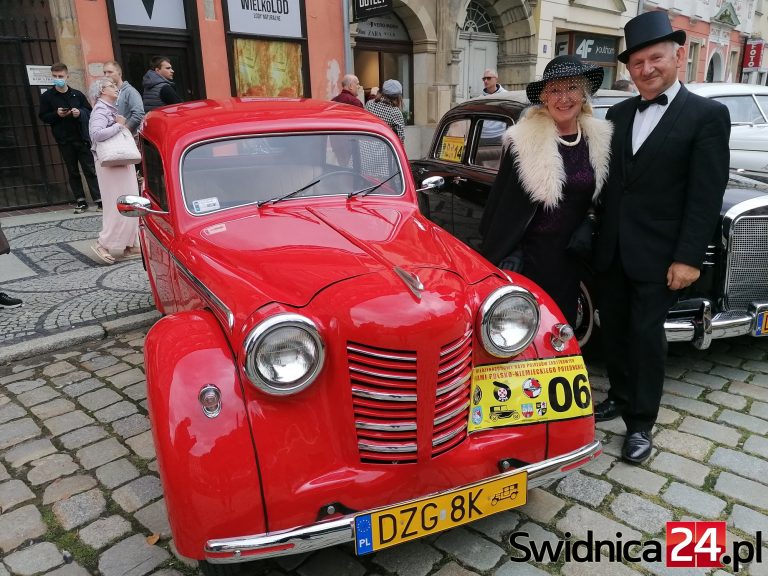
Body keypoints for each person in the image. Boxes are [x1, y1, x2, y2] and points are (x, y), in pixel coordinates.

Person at [592, 11, 731, 464]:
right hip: (612, 248)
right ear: (628, 69)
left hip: (661, 255)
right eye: (637, 63)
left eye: (655, 58)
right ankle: (619, 394)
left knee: (646, 336)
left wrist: (689, 257)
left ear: (678, 54)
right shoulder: (617, 112)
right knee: (613, 329)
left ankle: (641, 424)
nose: (647, 69)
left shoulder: (707, 115)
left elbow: (705, 195)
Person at [479, 55, 612, 327]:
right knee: (522, 331)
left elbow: (605, 196)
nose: (564, 98)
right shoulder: (523, 141)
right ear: (544, 97)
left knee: (561, 328)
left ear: (584, 94)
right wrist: (512, 251)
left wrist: (590, 221)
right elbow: (502, 205)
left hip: (574, 255)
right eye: (555, 90)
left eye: (572, 88)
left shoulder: (600, 139)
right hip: (530, 257)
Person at [87, 78, 141, 265]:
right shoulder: (101, 110)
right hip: (112, 164)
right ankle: (103, 243)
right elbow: (96, 134)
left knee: (129, 199)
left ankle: (129, 243)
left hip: (119, 161)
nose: (115, 88)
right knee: (119, 202)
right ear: (101, 91)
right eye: (111, 86)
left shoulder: (108, 109)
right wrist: (119, 125)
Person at [38, 63, 102, 214]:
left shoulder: (77, 94)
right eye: (55, 76)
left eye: (60, 76)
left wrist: (79, 112)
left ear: (67, 76)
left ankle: (99, 200)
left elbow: (89, 110)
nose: (58, 79)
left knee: (90, 169)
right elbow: (43, 116)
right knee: (72, 171)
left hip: (81, 137)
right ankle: (80, 200)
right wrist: (56, 114)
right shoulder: (47, 96)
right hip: (64, 139)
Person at [103, 60, 145, 134]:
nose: (106, 75)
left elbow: (139, 114)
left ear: (119, 73)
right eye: (104, 72)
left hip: (128, 138)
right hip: (113, 137)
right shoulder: (108, 92)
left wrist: (124, 130)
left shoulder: (130, 91)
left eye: (110, 72)